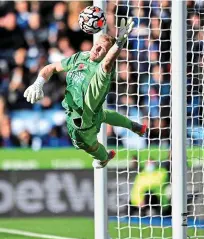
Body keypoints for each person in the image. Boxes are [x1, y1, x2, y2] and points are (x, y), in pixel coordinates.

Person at [24, 18, 147, 168]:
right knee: (102, 115)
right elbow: (51, 68)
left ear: (107, 53)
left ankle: (104, 157)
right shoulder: (81, 57)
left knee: (87, 145)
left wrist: (119, 43)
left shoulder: (103, 71)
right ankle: (134, 126)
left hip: (82, 122)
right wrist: (38, 84)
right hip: (90, 111)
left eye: (102, 49)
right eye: (96, 45)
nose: (96, 49)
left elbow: (108, 61)